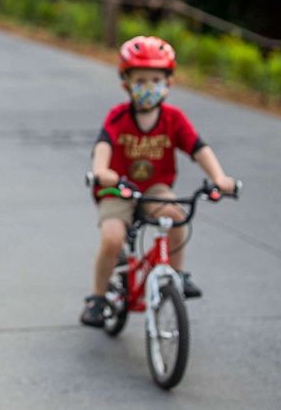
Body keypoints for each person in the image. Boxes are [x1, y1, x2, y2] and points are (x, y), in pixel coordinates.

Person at [80, 35, 236, 327]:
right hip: (118, 188)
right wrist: (102, 170)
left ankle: (176, 275)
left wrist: (219, 177)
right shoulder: (119, 116)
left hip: (155, 188)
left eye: (155, 78)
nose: (148, 86)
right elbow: (104, 145)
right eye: (140, 80)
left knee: (176, 216)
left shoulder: (174, 119)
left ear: (169, 83)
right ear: (126, 83)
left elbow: (198, 148)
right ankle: (98, 297)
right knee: (113, 238)